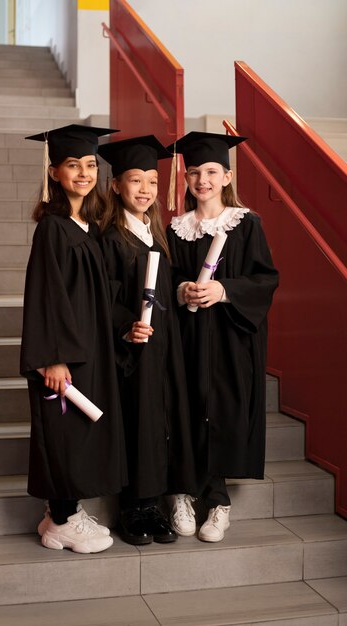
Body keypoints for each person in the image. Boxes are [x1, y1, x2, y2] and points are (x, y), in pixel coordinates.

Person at [165, 132, 279, 542]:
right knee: (186, 406)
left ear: (227, 176)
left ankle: (217, 502)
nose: (202, 180)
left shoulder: (246, 224)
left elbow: (265, 278)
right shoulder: (176, 229)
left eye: (212, 171)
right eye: (194, 172)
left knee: (222, 408)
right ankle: (181, 492)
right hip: (188, 336)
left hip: (230, 337)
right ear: (186, 179)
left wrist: (224, 290)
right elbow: (166, 279)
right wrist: (182, 291)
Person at [20, 124, 127, 554]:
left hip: (90, 347)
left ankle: (59, 511)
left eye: (89, 165)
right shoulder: (52, 227)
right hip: (64, 353)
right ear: (54, 172)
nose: (83, 173)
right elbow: (46, 294)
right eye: (72, 165)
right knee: (63, 432)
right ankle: (62, 520)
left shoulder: (89, 225)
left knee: (79, 433)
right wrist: (54, 357)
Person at [98, 135, 197, 546]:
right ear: (116, 185)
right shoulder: (109, 237)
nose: (144, 190)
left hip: (164, 345)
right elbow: (104, 295)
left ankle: (155, 503)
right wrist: (125, 326)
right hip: (132, 350)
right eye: (135, 180)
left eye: (152, 182)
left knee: (161, 420)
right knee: (136, 420)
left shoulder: (156, 234)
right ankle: (132, 508)